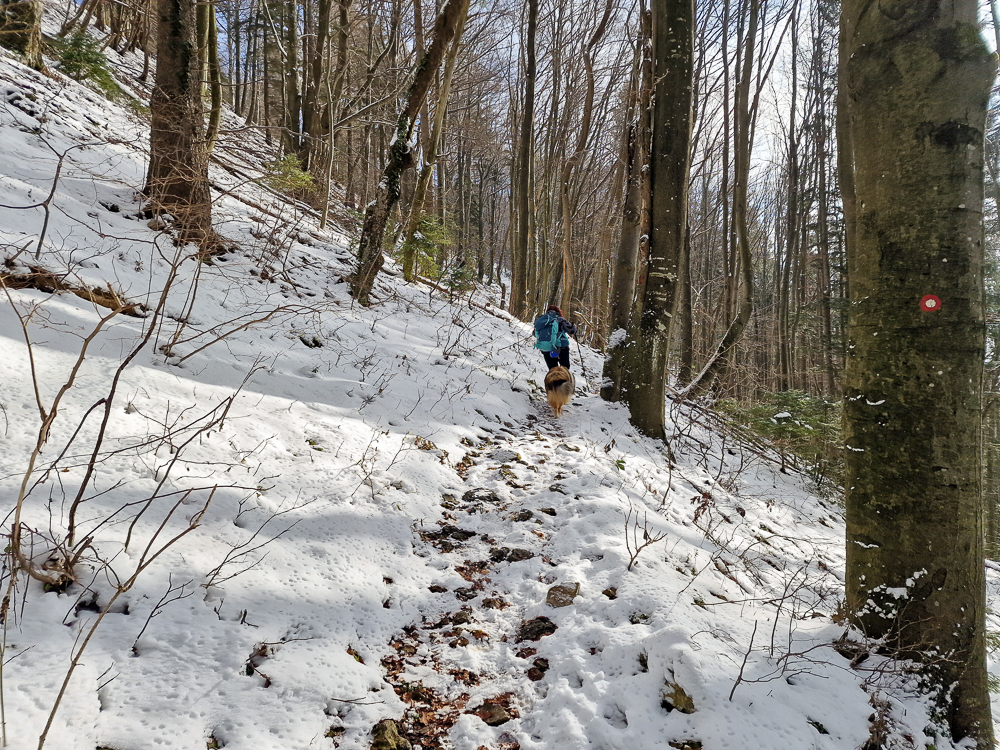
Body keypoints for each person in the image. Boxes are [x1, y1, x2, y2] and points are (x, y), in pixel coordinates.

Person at [534, 304, 577, 370]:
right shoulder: (560, 319)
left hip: (547, 347)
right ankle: (564, 380)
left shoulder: (542, 320)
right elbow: (571, 331)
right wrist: (574, 327)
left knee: (553, 370)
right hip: (561, 346)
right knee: (565, 368)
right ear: (558, 311)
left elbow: (534, 333)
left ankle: (554, 379)